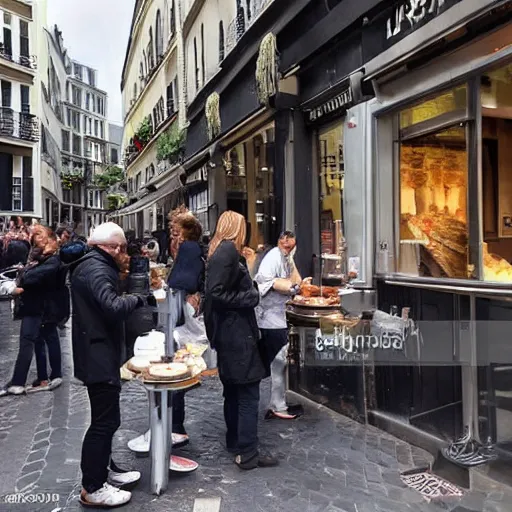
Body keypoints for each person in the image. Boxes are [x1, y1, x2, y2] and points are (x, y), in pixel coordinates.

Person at [70, 222, 152, 508]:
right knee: (105, 422)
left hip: (95, 352)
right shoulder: (98, 268)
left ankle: (105, 473)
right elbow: (112, 307)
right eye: (123, 249)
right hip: (98, 355)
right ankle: (93, 486)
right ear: (113, 247)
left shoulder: (90, 263)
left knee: (104, 420)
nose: (124, 254)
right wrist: (137, 298)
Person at [204, 211, 278, 470]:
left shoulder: (220, 251)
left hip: (229, 332)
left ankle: (235, 441)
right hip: (236, 333)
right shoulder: (226, 252)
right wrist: (251, 297)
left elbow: (217, 292)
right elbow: (216, 293)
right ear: (238, 228)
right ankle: (247, 452)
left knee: (234, 391)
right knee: (247, 392)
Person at [1, 226, 61, 396]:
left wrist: (21, 281)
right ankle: (41, 377)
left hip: (39, 307)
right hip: (39, 306)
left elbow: (30, 277)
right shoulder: (41, 258)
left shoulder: (51, 260)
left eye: (38, 240)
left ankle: (19, 382)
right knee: (36, 342)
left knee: (29, 342)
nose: (35, 243)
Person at [255, 231, 308, 420]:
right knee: (278, 360)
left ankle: (278, 402)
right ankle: (277, 405)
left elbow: (297, 280)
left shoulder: (285, 258)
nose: (288, 245)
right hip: (269, 318)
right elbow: (272, 283)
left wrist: (296, 277)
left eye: (291, 243)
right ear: (279, 241)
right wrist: (293, 287)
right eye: (285, 242)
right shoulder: (273, 258)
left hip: (277, 316)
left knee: (280, 360)